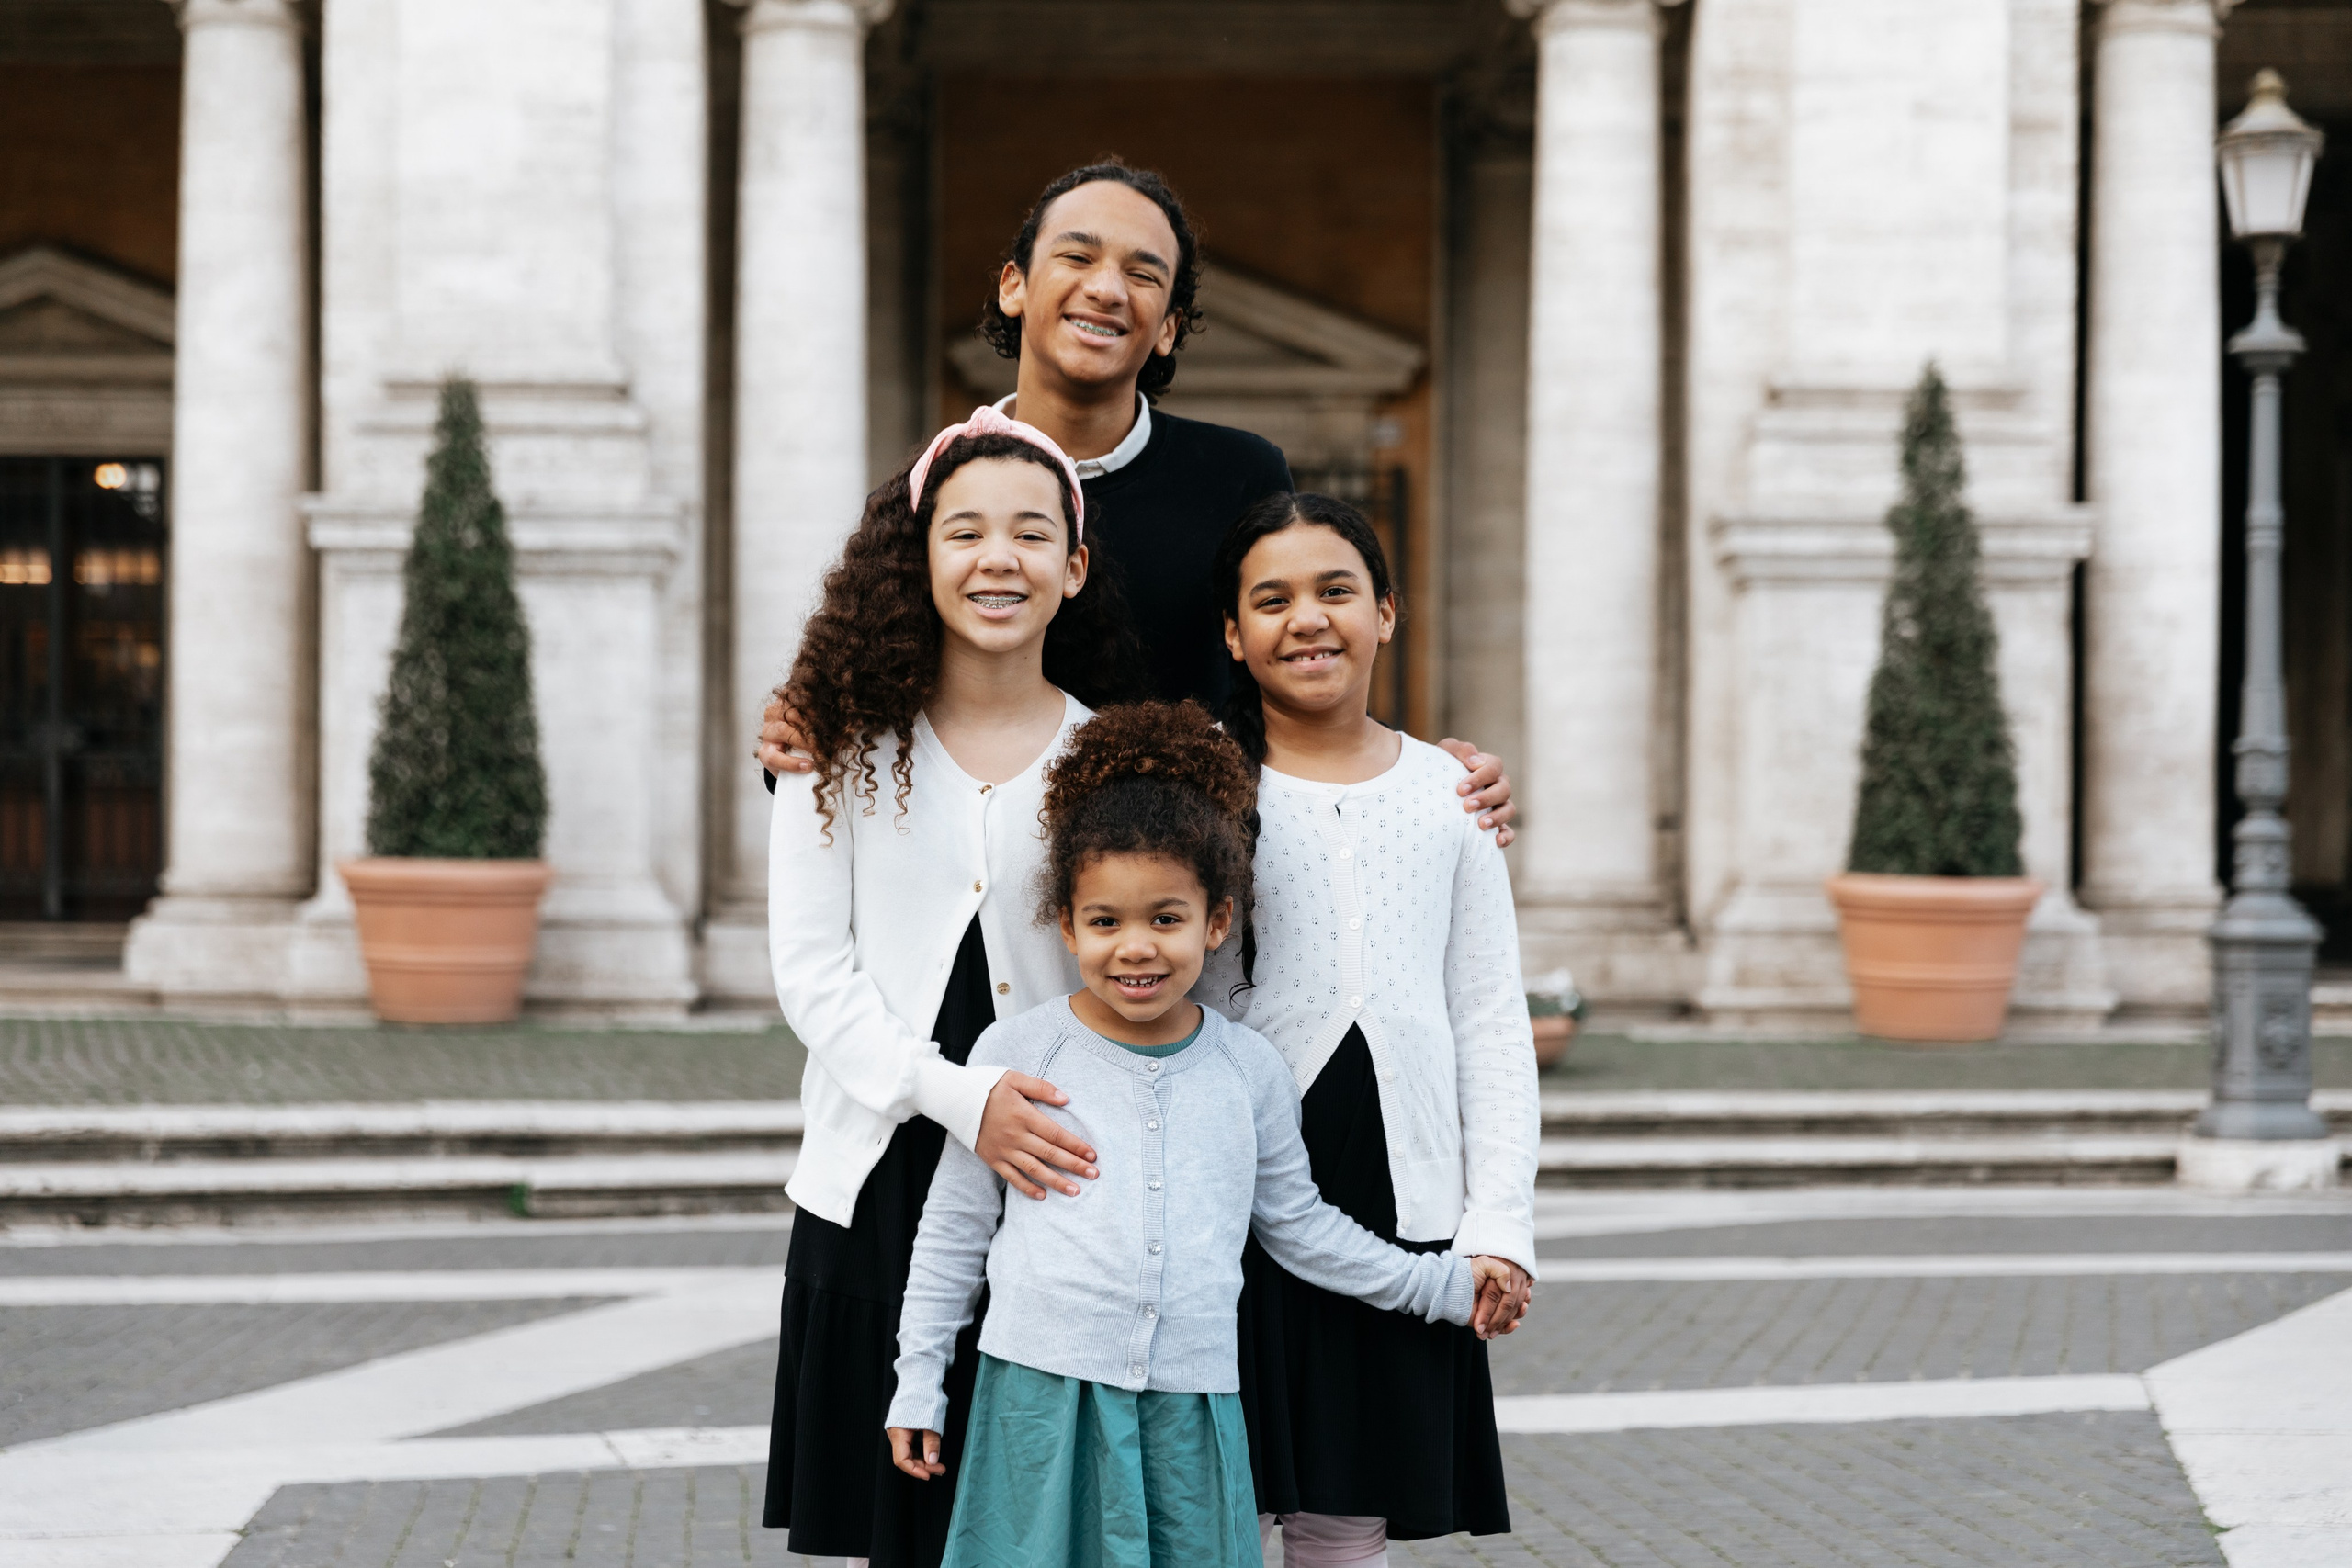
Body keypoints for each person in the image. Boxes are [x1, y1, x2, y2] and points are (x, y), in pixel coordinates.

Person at [882, 702, 1524, 1568]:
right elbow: (955, 1232)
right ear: (1066, 926)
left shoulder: (1248, 1068)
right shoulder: (1017, 1052)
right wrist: (917, 1380)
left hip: (1194, 1406)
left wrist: (1440, 1287)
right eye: (1104, 921)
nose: (1134, 947)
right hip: (1036, 1397)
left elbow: (1299, 1226)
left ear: (1217, 923)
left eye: (1167, 918)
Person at [754, 159, 1518, 842]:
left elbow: (1293, 675)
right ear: (1013, 285)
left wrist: (1416, 771)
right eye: (1077, 256)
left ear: (1167, 330)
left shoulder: (1242, 473)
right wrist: (801, 729)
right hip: (984, 870)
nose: (1107, 288)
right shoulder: (937, 486)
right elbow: (864, 693)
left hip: (1183, 893)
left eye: (1144, 274)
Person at [762, 403, 1148, 1567]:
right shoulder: (835, 747)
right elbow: (810, 972)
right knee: (903, 1525)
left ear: (1072, 569)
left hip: (1053, 1180)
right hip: (877, 1178)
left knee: (1041, 1518)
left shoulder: (1113, 756)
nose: (998, 559)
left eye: (1031, 535)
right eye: (965, 532)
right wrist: (956, 1098)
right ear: (918, 558)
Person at [1204, 492, 1543, 1565]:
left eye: (1336, 591)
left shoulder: (1452, 794)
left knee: (1350, 1512)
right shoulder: (1203, 783)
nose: (1307, 619)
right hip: (1240, 1188)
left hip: (1404, 1187)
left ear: (1386, 612)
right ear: (1232, 634)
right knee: (1223, 1497)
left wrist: (1501, 1221)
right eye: (1272, 600)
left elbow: (1489, 1014)